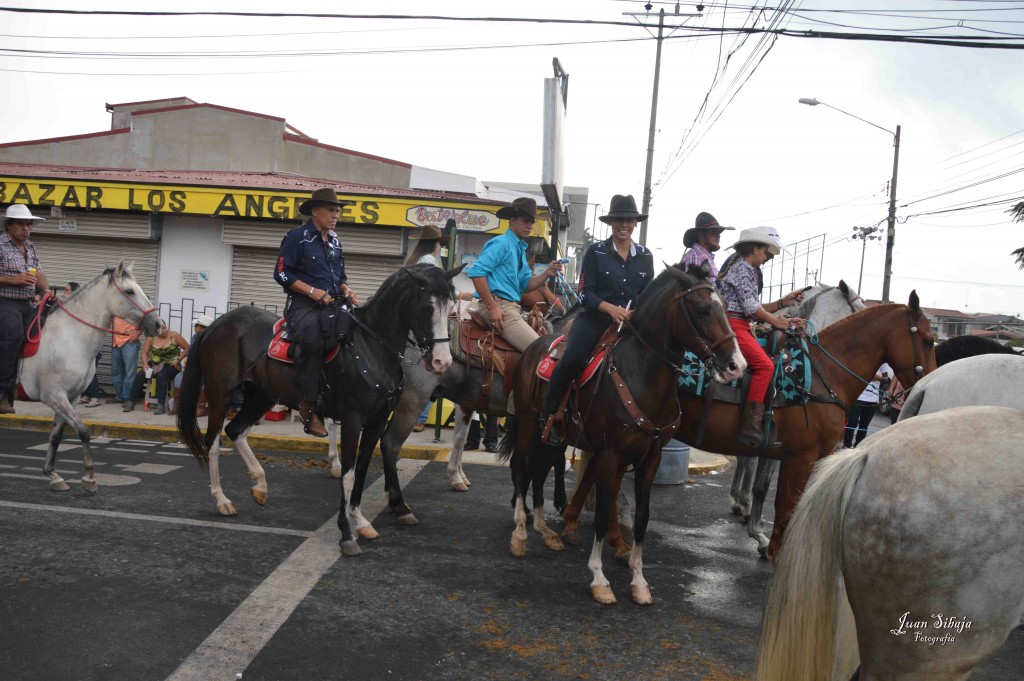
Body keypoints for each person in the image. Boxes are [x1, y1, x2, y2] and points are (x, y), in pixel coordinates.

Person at [539, 194, 655, 445]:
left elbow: (647, 294)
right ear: (610, 223)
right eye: (618, 220)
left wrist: (637, 313)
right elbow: (584, 292)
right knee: (573, 358)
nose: (623, 225)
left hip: (631, 324)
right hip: (595, 319)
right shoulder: (595, 252)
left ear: (636, 222)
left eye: (628, 220)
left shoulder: (646, 255)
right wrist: (611, 309)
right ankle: (549, 413)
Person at [273, 187, 360, 437]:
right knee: (313, 339)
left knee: (356, 333)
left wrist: (347, 289)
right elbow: (281, 273)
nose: (336, 215)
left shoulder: (335, 240)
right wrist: (312, 291)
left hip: (333, 304)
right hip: (303, 306)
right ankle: (308, 408)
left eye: (337, 210)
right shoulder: (296, 237)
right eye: (331, 210)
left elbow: (340, 277)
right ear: (315, 211)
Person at [718, 228, 807, 448]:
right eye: (767, 252)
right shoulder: (742, 269)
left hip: (740, 324)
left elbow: (753, 307)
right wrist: (777, 322)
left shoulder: (746, 269)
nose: (769, 257)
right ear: (755, 248)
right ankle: (750, 427)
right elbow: (751, 307)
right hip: (733, 326)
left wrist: (782, 304)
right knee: (765, 366)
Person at [465, 197, 563, 352]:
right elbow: (477, 273)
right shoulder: (501, 243)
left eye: (532, 222)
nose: (530, 226)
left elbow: (527, 286)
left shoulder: (519, 250)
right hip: (499, 307)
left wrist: (547, 273)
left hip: (511, 308)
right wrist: (492, 307)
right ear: (512, 221)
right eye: (525, 221)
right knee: (544, 352)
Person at [406, 224, 473, 432]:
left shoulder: (415, 260)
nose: (440, 248)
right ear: (435, 244)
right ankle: (420, 416)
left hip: (416, 321)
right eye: (440, 244)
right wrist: (460, 298)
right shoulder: (429, 262)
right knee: (433, 370)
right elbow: (436, 295)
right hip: (427, 324)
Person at [0, 204, 48, 414]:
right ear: (9, 225)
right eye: (20, 223)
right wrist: (14, 280)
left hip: (27, 303)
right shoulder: (0, 245)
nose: (26, 228)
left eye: (28, 224)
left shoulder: (30, 247)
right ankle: (2, 394)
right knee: (13, 338)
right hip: (5, 302)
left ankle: (32, 385)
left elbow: (39, 273)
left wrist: (46, 291)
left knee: (47, 333)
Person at [126, 326, 189, 414]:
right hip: (155, 363)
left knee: (162, 376)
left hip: (171, 364)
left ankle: (161, 404)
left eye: (165, 328)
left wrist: (178, 359)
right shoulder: (151, 337)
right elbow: (144, 353)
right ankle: (131, 401)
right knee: (140, 375)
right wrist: (145, 365)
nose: (164, 330)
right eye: (161, 329)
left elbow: (187, 347)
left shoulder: (174, 335)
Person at [170, 315, 213, 416]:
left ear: (203, 327)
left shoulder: (211, 339)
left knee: (203, 382)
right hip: (192, 368)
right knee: (178, 378)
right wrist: (183, 360)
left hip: (206, 371)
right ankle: (178, 405)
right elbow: (190, 353)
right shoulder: (195, 337)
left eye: (196, 325)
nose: (195, 327)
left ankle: (200, 407)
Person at [844, 364, 891, 448]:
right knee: (852, 423)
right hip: (857, 397)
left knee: (864, 426)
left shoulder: (883, 364)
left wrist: (876, 377)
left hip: (872, 399)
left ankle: (858, 446)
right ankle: (846, 445)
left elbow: (885, 379)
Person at [680, 212, 734, 283]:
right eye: (713, 233)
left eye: (718, 233)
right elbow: (696, 288)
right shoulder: (695, 256)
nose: (718, 236)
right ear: (701, 236)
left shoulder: (702, 256)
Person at [112, 317, 142, 412]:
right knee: (116, 372)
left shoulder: (134, 306)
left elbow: (144, 322)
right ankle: (120, 396)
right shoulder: (116, 308)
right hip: (116, 343)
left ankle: (128, 398)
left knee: (130, 373)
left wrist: (136, 335)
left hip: (129, 343)